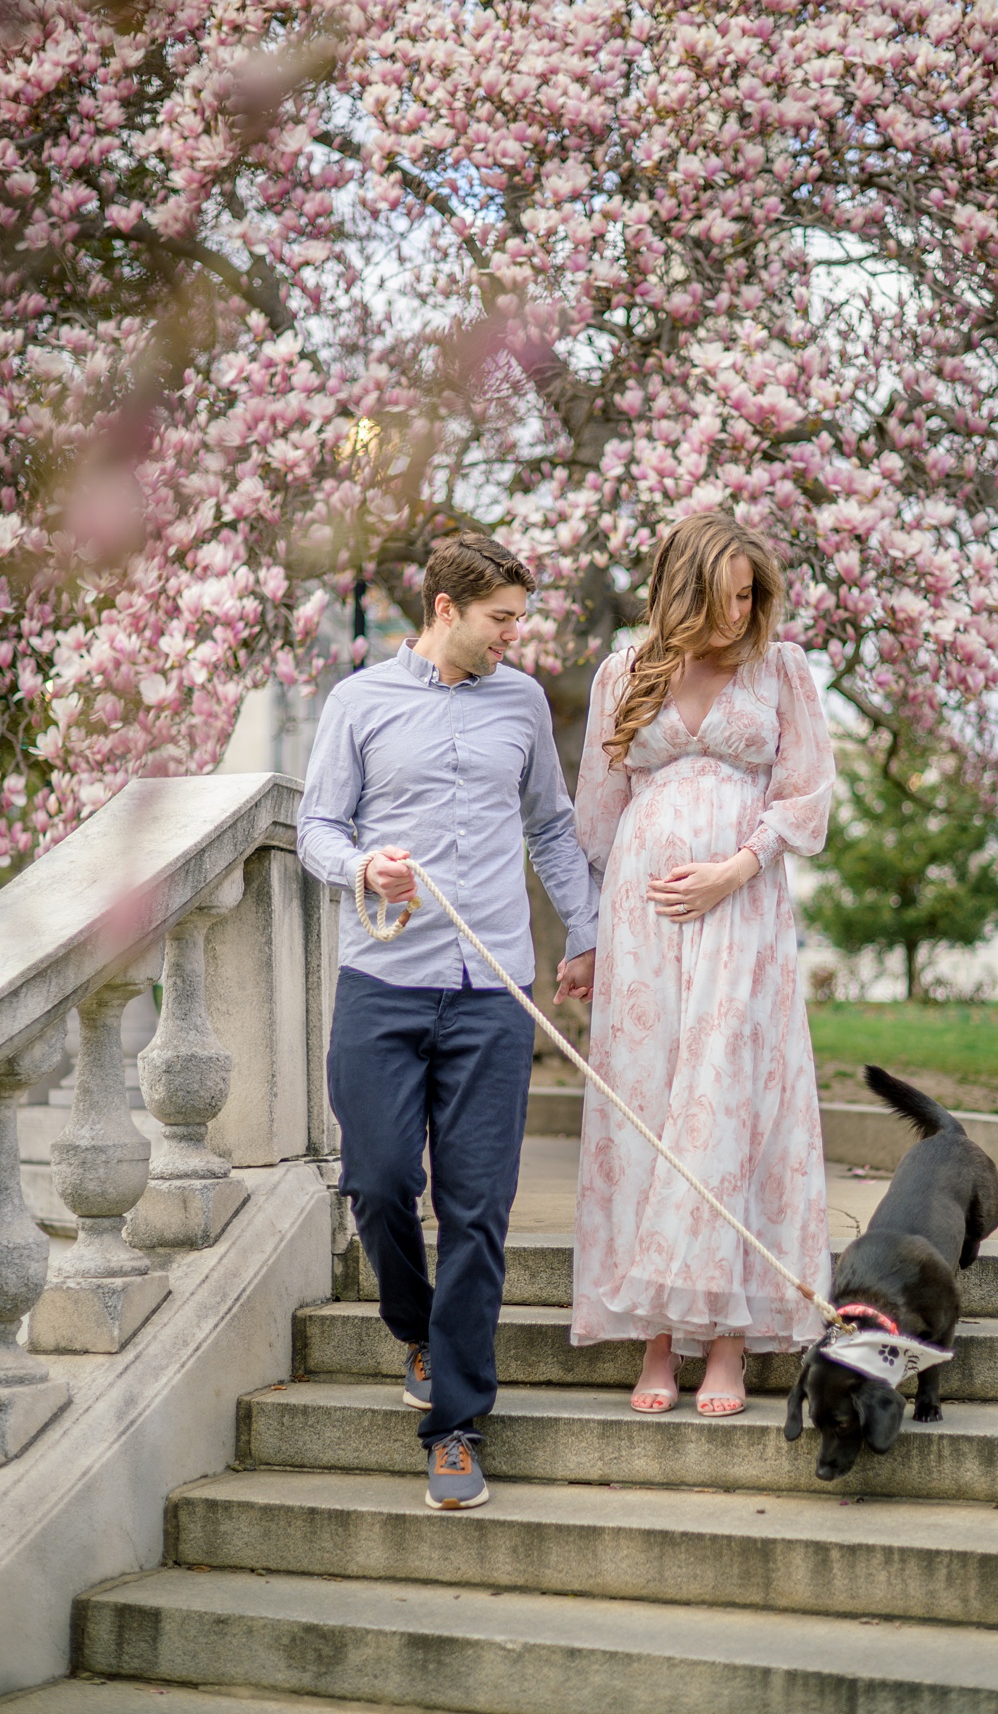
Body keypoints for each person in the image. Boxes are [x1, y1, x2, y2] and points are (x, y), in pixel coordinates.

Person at [298, 534, 601, 1512]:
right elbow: (315, 829)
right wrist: (363, 869)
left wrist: (584, 934)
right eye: (501, 618)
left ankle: (458, 1425)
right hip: (384, 978)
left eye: (522, 615)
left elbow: (550, 823)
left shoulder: (520, 703)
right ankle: (419, 1330)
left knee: (476, 1210)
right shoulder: (359, 702)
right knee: (381, 1184)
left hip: (493, 989)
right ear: (443, 610)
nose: (518, 634)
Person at [570, 513, 836, 1417]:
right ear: (682, 590)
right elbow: (597, 819)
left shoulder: (779, 670)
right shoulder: (624, 674)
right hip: (642, 923)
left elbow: (808, 795)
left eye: (750, 597)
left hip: (743, 915)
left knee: (726, 1101)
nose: (740, 613)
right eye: (725, 597)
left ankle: (726, 1340)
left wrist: (735, 868)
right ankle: (656, 1337)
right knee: (645, 1104)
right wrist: (587, 944)